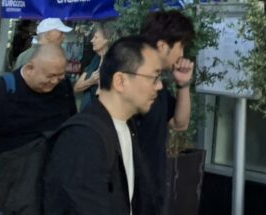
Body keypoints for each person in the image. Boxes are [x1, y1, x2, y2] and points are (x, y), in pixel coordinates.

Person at [44, 36, 162, 214]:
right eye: (154, 77)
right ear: (120, 81)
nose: (159, 86)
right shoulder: (83, 138)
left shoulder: (127, 126)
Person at [0, 44, 76, 212]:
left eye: (60, 76)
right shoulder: (1, 91)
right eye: (50, 76)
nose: (55, 81)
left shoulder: (64, 88)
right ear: (30, 68)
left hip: (49, 185)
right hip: (6, 189)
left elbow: (71, 126)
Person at [135, 11, 195, 211]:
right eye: (180, 46)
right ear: (162, 46)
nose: (182, 54)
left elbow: (180, 124)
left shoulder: (159, 85)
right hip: (129, 191)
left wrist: (183, 84)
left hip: (153, 185)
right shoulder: (130, 82)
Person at [74, 23, 115, 110]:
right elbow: (76, 87)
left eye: (96, 37)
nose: (92, 40)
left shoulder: (112, 61)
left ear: (106, 40)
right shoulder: (95, 58)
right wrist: (91, 81)